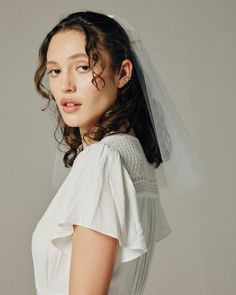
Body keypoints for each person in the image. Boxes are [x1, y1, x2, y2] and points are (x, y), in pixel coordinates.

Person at [31, 10, 175, 295]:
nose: (65, 85)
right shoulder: (131, 154)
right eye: (55, 70)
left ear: (122, 73)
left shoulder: (103, 161)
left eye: (83, 67)